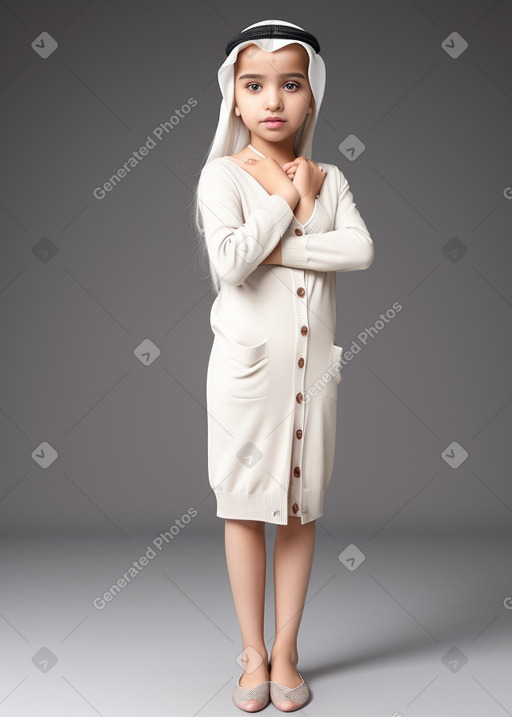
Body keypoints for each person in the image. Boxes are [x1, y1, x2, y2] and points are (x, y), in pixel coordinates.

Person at [193, 19, 375, 712]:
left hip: (311, 375)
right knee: (243, 506)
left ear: (311, 99)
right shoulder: (222, 177)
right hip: (246, 376)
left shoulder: (331, 179)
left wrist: (296, 212)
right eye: (255, 85)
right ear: (234, 100)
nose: (273, 100)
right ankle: (250, 652)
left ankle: (288, 649)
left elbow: (359, 252)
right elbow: (231, 262)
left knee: (300, 507)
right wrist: (283, 199)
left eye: (289, 85)